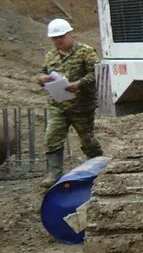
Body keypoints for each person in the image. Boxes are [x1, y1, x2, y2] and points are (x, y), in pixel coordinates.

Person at [36, 18, 102, 187]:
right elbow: (41, 74)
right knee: (52, 137)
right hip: (58, 105)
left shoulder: (85, 52)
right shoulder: (51, 55)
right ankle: (54, 173)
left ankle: (99, 166)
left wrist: (79, 84)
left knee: (87, 141)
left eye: (61, 37)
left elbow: (96, 73)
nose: (57, 41)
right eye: (54, 38)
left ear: (70, 34)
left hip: (81, 105)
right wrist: (42, 79)